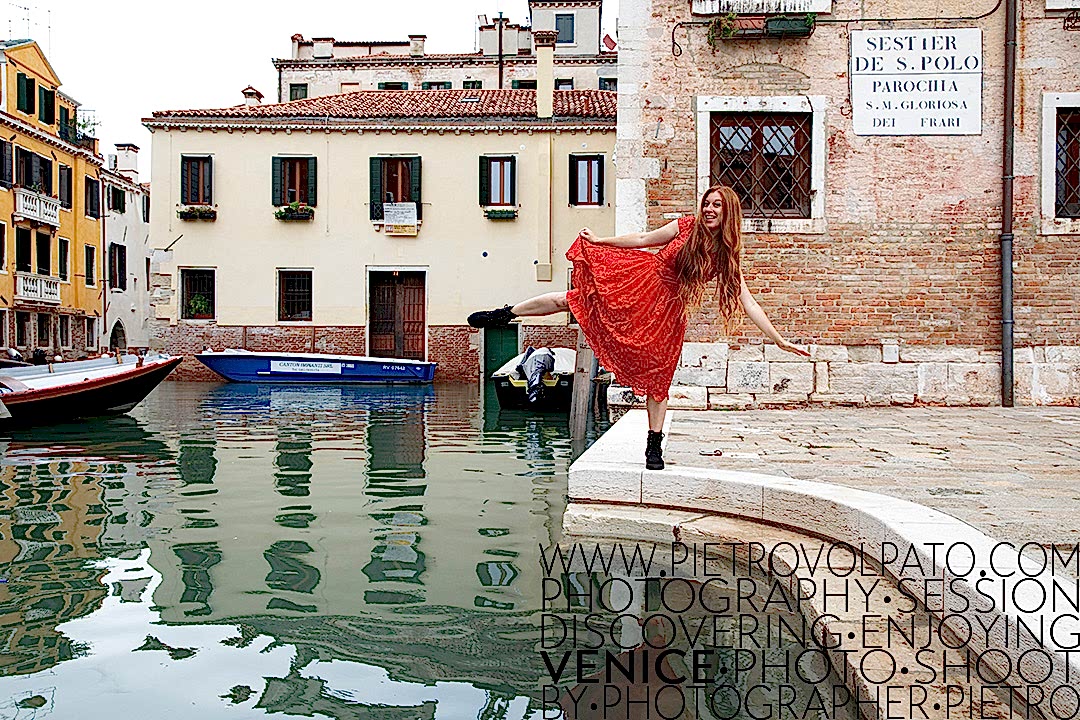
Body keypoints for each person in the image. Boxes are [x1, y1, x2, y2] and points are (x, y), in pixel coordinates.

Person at [468, 185, 809, 470]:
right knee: (571, 300)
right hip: (638, 281)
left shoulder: (726, 256)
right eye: (706, 203)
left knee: (659, 380)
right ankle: (504, 313)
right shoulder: (686, 226)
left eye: (716, 205)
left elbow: (748, 302)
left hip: (667, 312)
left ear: (728, 212)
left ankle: (653, 445)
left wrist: (778, 340)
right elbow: (645, 238)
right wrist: (602, 241)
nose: (708, 209)